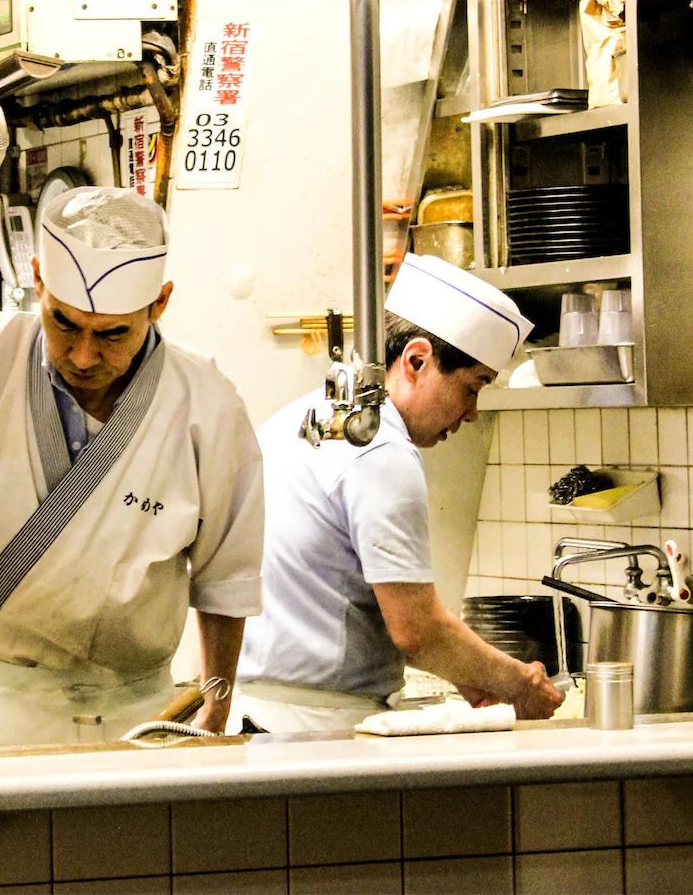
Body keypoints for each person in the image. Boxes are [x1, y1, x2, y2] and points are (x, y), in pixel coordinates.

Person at [0, 187, 264, 746]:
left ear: (159, 304)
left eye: (112, 334)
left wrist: (216, 712)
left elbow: (226, 579)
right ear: (38, 278)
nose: (83, 356)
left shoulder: (208, 404)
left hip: (139, 713)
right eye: (63, 323)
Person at [233, 254, 564, 732]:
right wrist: (518, 684)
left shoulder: (303, 417)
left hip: (259, 713)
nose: (472, 414)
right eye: (473, 387)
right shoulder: (380, 448)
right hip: (323, 727)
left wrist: (471, 675)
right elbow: (418, 628)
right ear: (416, 360)